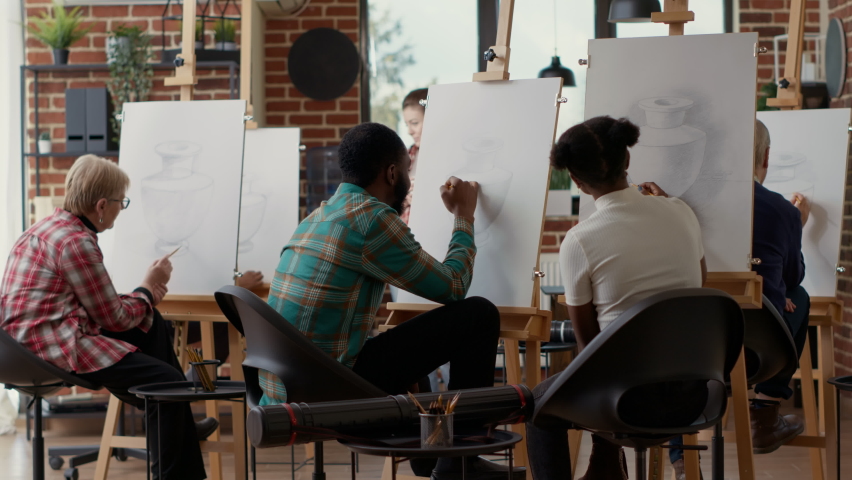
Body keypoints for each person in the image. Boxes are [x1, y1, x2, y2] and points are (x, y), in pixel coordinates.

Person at [259, 122, 520, 480]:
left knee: (413, 356)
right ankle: (460, 464)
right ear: (392, 172)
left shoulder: (318, 216)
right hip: (327, 389)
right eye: (408, 173)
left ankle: (434, 457)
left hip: (285, 385)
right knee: (477, 315)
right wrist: (463, 216)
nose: (409, 182)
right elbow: (454, 286)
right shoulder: (372, 219)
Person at [0, 155, 215, 480]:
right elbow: (113, 317)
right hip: (49, 348)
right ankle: (175, 426)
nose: (120, 208)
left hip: (19, 346)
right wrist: (148, 286)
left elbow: (100, 308)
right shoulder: (76, 242)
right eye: (120, 202)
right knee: (168, 383)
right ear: (101, 206)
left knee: (152, 322)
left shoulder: (48, 227)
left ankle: (177, 417)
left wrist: (145, 297)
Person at [524, 117, 707, 480]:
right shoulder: (682, 212)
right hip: (694, 396)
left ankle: (604, 463)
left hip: (627, 404)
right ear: (627, 159)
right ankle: (605, 463)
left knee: (536, 404)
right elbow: (698, 289)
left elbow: (589, 348)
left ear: (577, 181)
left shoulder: (580, 240)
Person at [749, 120, 810, 449]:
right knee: (797, 295)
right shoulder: (781, 211)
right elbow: (792, 277)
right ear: (766, 157)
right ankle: (765, 415)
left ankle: (680, 460)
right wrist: (796, 224)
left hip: (698, 344)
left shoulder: (683, 204)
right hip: (756, 350)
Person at [399, 88, 427, 224]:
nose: (409, 131)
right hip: (405, 237)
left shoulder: (450, 157)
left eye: (414, 123)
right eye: (407, 124)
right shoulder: (406, 156)